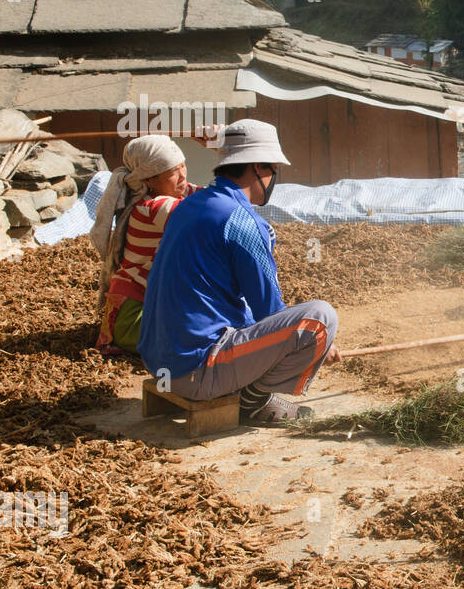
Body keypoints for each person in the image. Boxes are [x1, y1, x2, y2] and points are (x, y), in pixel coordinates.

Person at [138, 120, 340, 425]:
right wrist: (320, 344)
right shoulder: (242, 221)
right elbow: (269, 311)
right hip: (196, 372)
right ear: (259, 168)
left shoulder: (192, 204)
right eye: (273, 169)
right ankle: (252, 402)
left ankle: (240, 389)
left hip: (161, 364)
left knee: (243, 308)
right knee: (319, 318)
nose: (273, 178)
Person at [90, 135, 199, 356]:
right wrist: (223, 148)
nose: (182, 175)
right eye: (172, 171)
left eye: (183, 165)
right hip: (133, 316)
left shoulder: (178, 190)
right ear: (148, 179)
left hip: (156, 305)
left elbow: (218, 197)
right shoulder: (151, 207)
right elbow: (206, 215)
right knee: (196, 336)